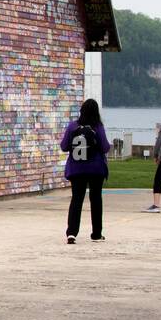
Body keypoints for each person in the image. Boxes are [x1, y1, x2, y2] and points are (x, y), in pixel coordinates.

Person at [60, 98, 111, 243]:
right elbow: (105, 147)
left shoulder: (73, 126)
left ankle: (72, 233)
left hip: (76, 169)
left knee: (76, 199)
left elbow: (64, 146)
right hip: (96, 168)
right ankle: (96, 233)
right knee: (96, 200)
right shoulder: (98, 126)